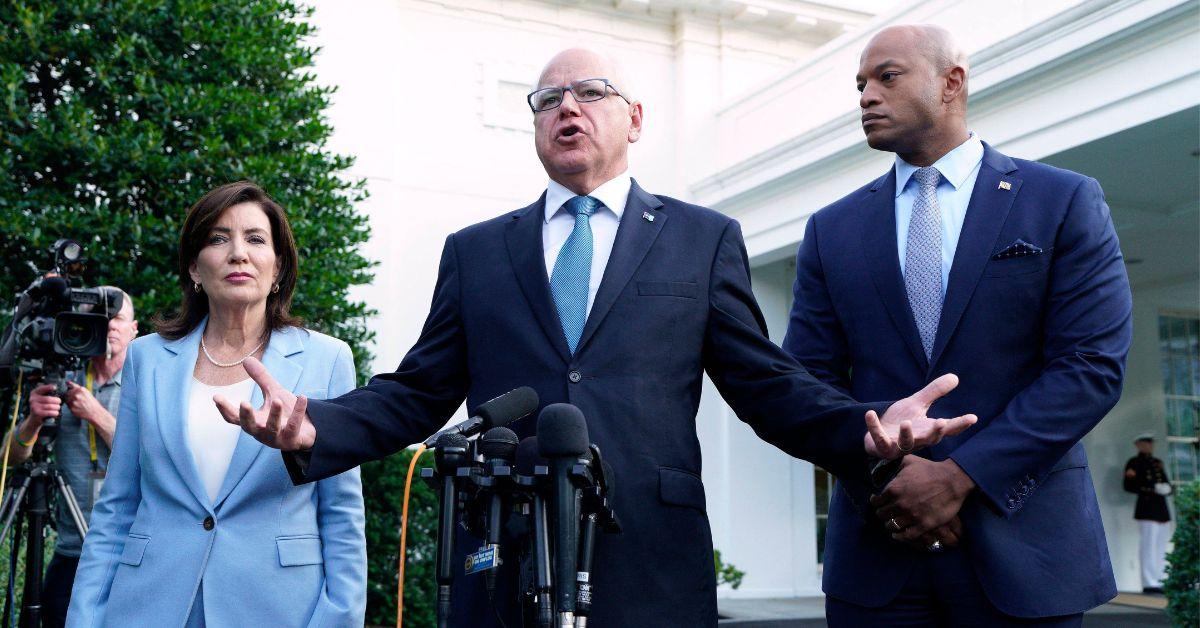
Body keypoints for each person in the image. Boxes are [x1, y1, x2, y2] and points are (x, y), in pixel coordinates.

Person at [220, 49, 975, 627]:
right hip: (501, 555)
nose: (566, 109)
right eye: (547, 99)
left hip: (648, 555)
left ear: (635, 119)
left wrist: (865, 431)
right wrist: (316, 423)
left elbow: (766, 385)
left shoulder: (701, 239)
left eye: (589, 93)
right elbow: (420, 388)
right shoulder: (479, 251)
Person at [783, 24, 1132, 627]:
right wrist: (891, 470)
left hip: (1027, 551)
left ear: (952, 82)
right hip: (878, 552)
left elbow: (1090, 368)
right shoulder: (831, 229)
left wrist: (960, 477)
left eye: (886, 77)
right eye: (860, 84)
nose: (866, 95)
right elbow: (804, 382)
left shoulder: (1061, 200)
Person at [67, 182, 367, 627]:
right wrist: (85, 618)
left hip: (278, 608)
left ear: (278, 265)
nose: (238, 253)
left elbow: (341, 514)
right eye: (218, 238)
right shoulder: (147, 358)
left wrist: (338, 618)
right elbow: (117, 505)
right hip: (148, 604)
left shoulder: (328, 359)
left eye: (256, 239)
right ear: (194, 266)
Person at [0, 288, 136, 628]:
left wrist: (96, 414)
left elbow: (151, 458)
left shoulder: (144, 384)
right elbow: (10, 457)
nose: (110, 327)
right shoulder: (63, 383)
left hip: (128, 551)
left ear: (135, 329)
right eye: (101, 319)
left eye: (118, 318)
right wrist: (33, 420)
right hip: (72, 549)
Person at [1124, 433, 1172, 594]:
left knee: (1160, 546)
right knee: (1148, 546)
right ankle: (1149, 582)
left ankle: (1159, 579)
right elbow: (1129, 485)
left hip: (1161, 509)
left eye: (1151, 442)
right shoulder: (1134, 463)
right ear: (1137, 444)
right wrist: (1151, 489)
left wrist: (1168, 488)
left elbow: (1166, 483)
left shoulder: (1157, 463)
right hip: (1147, 508)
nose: (1149, 445)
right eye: (1146, 442)